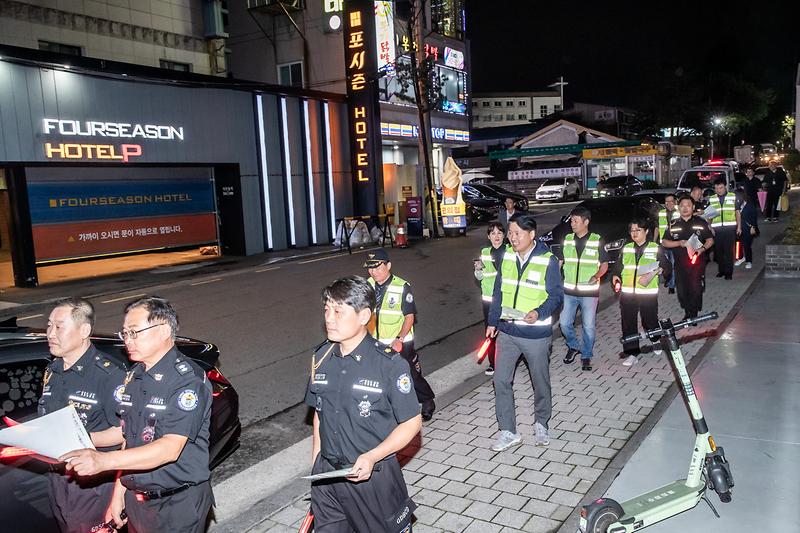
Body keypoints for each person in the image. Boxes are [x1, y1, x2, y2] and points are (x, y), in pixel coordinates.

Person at [61, 296, 214, 533]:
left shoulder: (186, 381)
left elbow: (169, 448)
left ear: (163, 330)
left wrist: (103, 461)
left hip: (177, 503)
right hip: (138, 501)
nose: (127, 341)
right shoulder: (134, 377)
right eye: (125, 334)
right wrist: (119, 492)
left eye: (134, 332)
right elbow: (129, 438)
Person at [305, 276, 421, 532]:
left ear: (363, 315)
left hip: (371, 478)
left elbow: (412, 422)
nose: (329, 318)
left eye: (338, 311)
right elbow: (319, 414)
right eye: (326, 309)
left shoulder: (389, 364)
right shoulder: (320, 358)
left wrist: (372, 457)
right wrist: (316, 464)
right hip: (327, 479)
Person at [39, 297, 126, 533]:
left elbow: (124, 432)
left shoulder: (109, 375)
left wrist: (79, 438)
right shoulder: (52, 370)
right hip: (58, 478)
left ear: (84, 330)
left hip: (93, 483)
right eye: (48, 325)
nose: (50, 333)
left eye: (59, 326)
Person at [486, 213, 563, 451]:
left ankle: (542, 423)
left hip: (535, 335)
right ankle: (508, 431)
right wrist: (492, 321)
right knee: (500, 380)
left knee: (540, 382)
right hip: (507, 330)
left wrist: (539, 313)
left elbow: (556, 296)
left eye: (516, 233)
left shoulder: (547, 260)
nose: (512, 237)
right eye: (510, 233)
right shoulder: (507, 256)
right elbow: (498, 291)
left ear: (531, 234)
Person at [364, 248, 435, 420]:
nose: (374, 272)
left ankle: (427, 400)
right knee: (377, 376)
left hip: (401, 342)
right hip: (375, 341)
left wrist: (399, 339)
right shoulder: (367, 285)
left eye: (378, 267)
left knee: (409, 374)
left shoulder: (402, 286)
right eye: (370, 268)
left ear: (388, 265)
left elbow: (409, 317)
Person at [554, 206, 609, 372]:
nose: (572, 223)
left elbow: (605, 264)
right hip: (569, 292)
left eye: (575, 221)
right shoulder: (568, 239)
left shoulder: (597, 240)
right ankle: (573, 346)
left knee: (589, 327)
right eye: (571, 220)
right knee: (564, 324)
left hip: (589, 293)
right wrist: (555, 278)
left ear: (586, 222)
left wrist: (596, 276)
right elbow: (560, 261)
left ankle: (586, 355)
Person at [611, 218, 672, 366]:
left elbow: (667, 267)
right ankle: (632, 354)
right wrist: (615, 276)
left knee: (649, 321)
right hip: (628, 294)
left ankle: (655, 339)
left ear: (646, 231)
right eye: (632, 230)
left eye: (638, 230)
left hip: (647, 294)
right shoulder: (626, 248)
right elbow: (618, 267)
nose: (634, 233)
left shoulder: (655, 248)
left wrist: (661, 271)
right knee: (628, 324)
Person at [662, 196, 715, 319]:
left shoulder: (700, 222)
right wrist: (679, 243)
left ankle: (693, 313)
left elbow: (710, 240)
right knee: (682, 289)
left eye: (688, 205)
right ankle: (687, 309)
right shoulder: (673, 224)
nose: (685, 208)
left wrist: (701, 249)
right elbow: (664, 242)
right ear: (678, 208)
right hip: (680, 262)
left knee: (695, 287)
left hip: (697, 261)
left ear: (693, 207)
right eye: (682, 206)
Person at [473, 222, 506, 376]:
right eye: (493, 233)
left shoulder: (510, 252)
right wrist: (478, 270)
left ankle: (508, 361)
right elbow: (480, 277)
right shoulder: (485, 252)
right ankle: (493, 363)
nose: (496, 236)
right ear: (488, 236)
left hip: (506, 299)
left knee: (506, 331)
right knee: (490, 331)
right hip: (488, 300)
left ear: (504, 235)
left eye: (499, 233)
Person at [706, 178, 742, 280]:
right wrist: (710, 227)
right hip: (716, 230)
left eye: (720, 188)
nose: (718, 190)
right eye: (716, 188)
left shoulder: (732, 197)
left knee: (728, 252)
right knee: (718, 252)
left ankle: (728, 273)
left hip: (729, 228)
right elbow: (709, 215)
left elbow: (737, 212)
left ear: (725, 187)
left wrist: (739, 227)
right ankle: (721, 270)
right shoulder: (712, 199)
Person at [657, 194, 679, 293]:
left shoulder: (680, 213)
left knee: (673, 264)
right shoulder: (661, 213)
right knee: (664, 265)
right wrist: (654, 241)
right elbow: (657, 228)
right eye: (666, 201)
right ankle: (668, 279)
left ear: (675, 202)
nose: (669, 203)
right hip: (663, 244)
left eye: (671, 201)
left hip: (675, 243)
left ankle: (671, 285)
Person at [736, 194, 759, 269]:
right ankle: (740, 258)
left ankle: (749, 261)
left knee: (747, 246)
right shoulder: (735, 207)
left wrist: (753, 227)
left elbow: (754, 218)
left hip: (748, 229)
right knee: (738, 245)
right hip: (737, 229)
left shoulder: (750, 206)